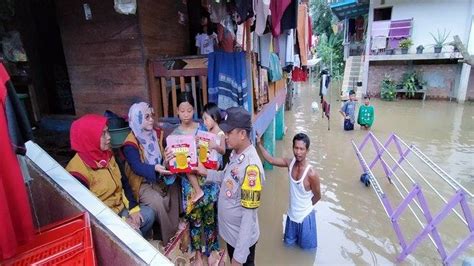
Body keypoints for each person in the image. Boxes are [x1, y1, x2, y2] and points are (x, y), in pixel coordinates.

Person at [193, 107, 264, 266]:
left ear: (242, 134)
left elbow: (249, 218)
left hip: (242, 242)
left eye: (229, 132)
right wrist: (206, 173)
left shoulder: (251, 168)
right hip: (231, 235)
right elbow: (227, 178)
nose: (225, 136)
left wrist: (238, 259)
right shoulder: (235, 153)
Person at [66, 114, 155, 236]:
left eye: (108, 132)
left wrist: (133, 209)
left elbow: (124, 183)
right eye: (103, 134)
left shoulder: (108, 154)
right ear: (89, 137)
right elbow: (90, 213)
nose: (109, 137)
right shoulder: (77, 172)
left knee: (148, 214)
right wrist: (123, 223)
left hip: (120, 209)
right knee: (134, 233)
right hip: (103, 222)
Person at [165, 92, 220, 266]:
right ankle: (197, 254)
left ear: (193, 110)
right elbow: (171, 166)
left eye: (189, 110)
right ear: (177, 112)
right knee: (195, 221)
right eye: (182, 111)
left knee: (210, 218)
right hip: (189, 185)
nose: (186, 114)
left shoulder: (203, 128)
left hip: (207, 180)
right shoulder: (174, 135)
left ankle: (211, 251)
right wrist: (167, 160)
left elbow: (214, 152)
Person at [122, 102, 181, 245]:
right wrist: (155, 168)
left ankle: (176, 227)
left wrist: (166, 161)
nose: (151, 119)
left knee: (175, 187)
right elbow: (136, 167)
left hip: (158, 177)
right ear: (137, 119)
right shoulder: (130, 142)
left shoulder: (156, 134)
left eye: (151, 115)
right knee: (158, 202)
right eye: (146, 116)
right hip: (141, 183)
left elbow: (161, 159)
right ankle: (169, 238)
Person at [256, 133, 321, 250]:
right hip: (291, 216)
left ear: (307, 150)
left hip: (305, 218)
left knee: (307, 253)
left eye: (302, 149)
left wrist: (304, 207)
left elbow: (317, 196)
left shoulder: (311, 174)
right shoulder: (289, 163)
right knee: (287, 248)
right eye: (296, 148)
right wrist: (259, 144)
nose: (298, 152)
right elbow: (270, 160)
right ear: (292, 148)